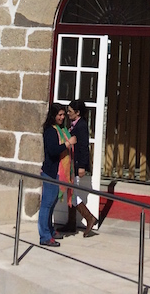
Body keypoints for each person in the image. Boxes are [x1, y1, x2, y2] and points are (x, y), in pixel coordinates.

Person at [39, 103, 75, 247]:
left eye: (63, 114)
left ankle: (50, 230)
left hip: (58, 172)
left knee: (52, 203)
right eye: (59, 115)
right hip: (50, 171)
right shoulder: (50, 131)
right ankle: (44, 236)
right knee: (46, 205)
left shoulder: (61, 129)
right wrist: (68, 144)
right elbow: (53, 150)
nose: (62, 117)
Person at [67, 99, 98, 237]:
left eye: (70, 112)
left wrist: (82, 166)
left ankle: (89, 217)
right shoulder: (74, 125)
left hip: (77, 163)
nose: (68, 114)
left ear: (77, 113)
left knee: (72, 193)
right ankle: (71, 222)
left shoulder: (81, 126)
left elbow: (84, 147)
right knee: (70, 191)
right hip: (71, 163)